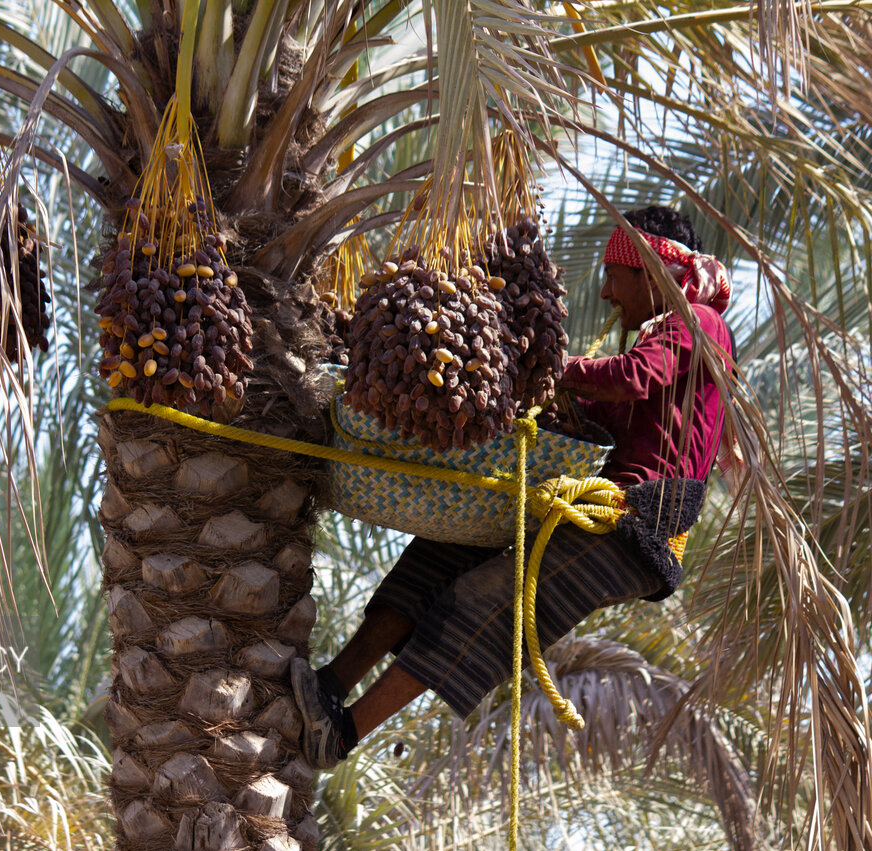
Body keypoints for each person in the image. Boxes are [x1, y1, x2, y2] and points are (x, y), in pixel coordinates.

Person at [291, 205, 736, 769]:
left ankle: (342, 734)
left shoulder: (697, 321)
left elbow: (629, 379)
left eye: (612, 274)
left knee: (486, 604)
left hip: (633, 532)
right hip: (597, 515)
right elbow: (606, 404)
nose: (605, 292)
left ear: (650, 271)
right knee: (444, 550)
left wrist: (544, 365)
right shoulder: (665, 333)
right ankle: (331, 683)